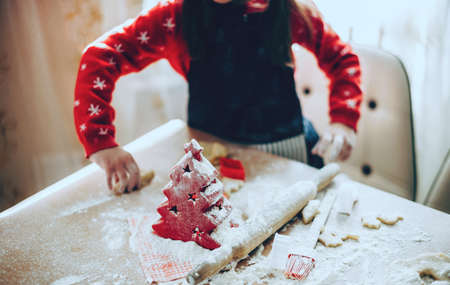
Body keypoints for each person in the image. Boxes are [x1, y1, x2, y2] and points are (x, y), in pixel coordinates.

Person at [73, 0, 362, 193]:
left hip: (291, 156)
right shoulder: (174, 16)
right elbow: (100, 56)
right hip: (213, 164)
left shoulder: (289, 10)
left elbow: (342, 59)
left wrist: (344, 122)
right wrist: (100, 142)